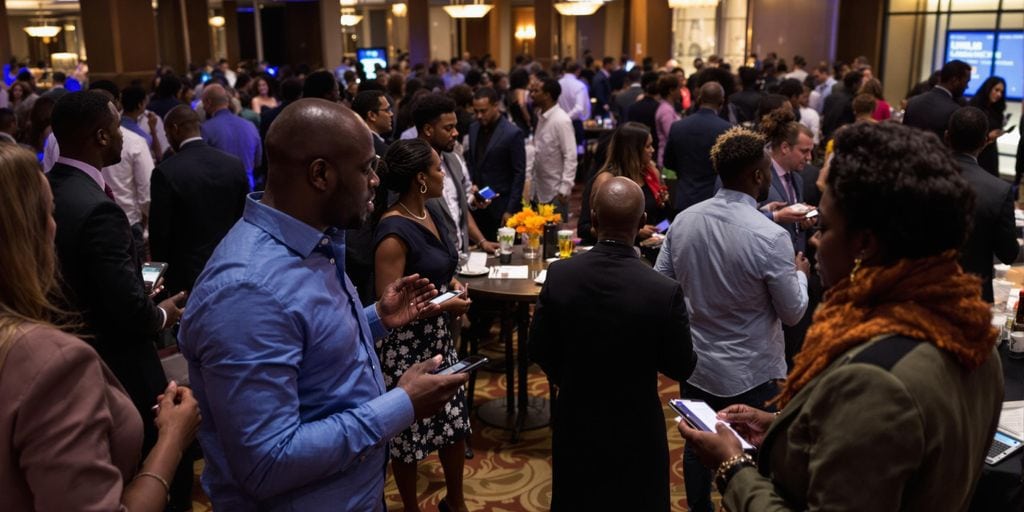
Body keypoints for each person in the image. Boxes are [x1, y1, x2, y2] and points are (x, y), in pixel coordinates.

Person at [679, 121, 1004, 512]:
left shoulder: (874, 381)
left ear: (864, 244)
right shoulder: (970, 334)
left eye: (825, 227)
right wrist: (782, 424)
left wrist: (733, 468)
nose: (814, 240)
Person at [179, 99, 469, 510]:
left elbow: (311, 352)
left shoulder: (315, 244)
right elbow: (267, 461)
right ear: (320, 174)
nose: (375, 180)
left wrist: (375, 320)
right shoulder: (246, 289)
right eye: (366, 167)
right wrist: (400, 405)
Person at [0, 143, 201, 511]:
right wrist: (172, 437)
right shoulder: (52, 362)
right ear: (26, 233)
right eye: (50, 212)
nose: (55, 227)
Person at [46, 91, 192, 507]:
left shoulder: (48, 188)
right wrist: (162, 314)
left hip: (73, 352)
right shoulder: (98, 209)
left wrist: (126, 286)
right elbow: (130, 313)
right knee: (163, 463)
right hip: (121, 363)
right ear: (100, 137)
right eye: (115, 129)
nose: (122, 137)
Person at [655, 126, 809, 512]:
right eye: (767, 169)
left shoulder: (685, 220)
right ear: (757, 175)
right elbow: (793, 313)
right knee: (754, 450)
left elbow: (662, 287)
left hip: (697, 361)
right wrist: (801, 274)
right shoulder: (772, 238)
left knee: (698, 443)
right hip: (751, 370)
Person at [530, 176, 696, 511]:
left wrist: (573, 379)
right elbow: (682, 365)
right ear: (643, 222)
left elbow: (539, 348)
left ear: (593, 217)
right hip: (637, 426)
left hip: (575, 419)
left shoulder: (560, 275)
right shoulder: (662, 290)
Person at [373, 138, 473, 512]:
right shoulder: (393, 232)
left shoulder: (430, 212)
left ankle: (456, 502)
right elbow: (389, 304)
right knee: (409, 433)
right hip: (405, 345)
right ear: (419, 178)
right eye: (436, 168)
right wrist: (443, 305)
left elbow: (436, 275)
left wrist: (452, 292)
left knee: (452, 421)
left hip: (436, 336)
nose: (442, 174)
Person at [149, 105, 249, 298]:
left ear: (175, 129)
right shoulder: (234, 164)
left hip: (186, 274)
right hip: (230, 263)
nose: (168, 140)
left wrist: (161, 280)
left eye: (167, 133)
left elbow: (160, 234)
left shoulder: (166, 171)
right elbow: (244, 218)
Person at [946, 106, 1019, 302]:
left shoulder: (918, 177)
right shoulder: (999, 191)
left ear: (947, 136)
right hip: (972, 298)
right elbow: (1008, 254)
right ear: (985, 142)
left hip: (919, 295)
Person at [414, 93, 499, 255]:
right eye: (448, 128)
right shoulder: (412, 167)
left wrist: (482, 241)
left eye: (455, 126)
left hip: (461, 256)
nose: (455, 133)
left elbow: (459, 208)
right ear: (428, 129)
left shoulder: (454, 158)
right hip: (435, 263)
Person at [578, 121, 667, 246]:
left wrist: (658, 233)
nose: (652, 150)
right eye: (648, 146)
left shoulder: (652, 174)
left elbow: (665, 220)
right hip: (615, 251)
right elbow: (584, 229)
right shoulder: (606, 181)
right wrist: (636, 232)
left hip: (650, 247)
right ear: (632, 151)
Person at [466, 86, 526, 241]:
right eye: (476, 111)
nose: (479, 115)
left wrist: (510, 210)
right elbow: (473, 163)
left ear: (496, 106)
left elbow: (519, 174)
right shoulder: (473, 128)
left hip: (502, 207)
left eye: (483, 111)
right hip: (478, 205)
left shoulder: (512, 133)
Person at [664, 81, 732, 212]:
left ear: (699, 99)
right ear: (722, 102)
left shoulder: (678, 126)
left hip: (685, 197)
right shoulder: (727, 129)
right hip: (714, 201)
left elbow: (668, 163)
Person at [759, 109, 816, 254]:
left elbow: (793, 226)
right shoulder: (758, 176)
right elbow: (741, 220)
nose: (809, 157)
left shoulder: (797, 179)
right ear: (785, 148)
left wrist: (803, 224)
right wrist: (776, 216)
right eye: (804, 151)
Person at [528, 77, 577, 217]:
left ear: (547, 95)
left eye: (536, 91)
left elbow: (570, 156)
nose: (532, 94)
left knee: (555, 236)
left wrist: (565, 188)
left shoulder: (561, 120)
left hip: (555, 191)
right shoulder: (540, 117)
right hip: (538, 188)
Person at [200, 83, 261, 189]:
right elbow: (258, 161)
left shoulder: (205, 129)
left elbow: (202, 165)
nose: (203, 107)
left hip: (219, 189)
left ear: (208, 102)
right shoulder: (250, 126)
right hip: (248, 188)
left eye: (203, 103)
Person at [903, 59, 972, 140]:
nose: (967, 87)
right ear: (954, 81)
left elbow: (904, 136)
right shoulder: (954, 111)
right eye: (966, 82)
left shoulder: (913, 101)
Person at [968, 76, 1008, 177]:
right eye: (996, 90)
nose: (999, 94)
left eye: (1001, 92)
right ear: (988, 88)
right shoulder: (974, 107)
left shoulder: (997, 110)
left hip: (991, 153)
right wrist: (988, 137)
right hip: (975, 154)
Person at [654, 74, 681, 168]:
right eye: (678, 88)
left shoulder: (668, 108)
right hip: (666, 160)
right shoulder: (666, 110)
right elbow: (671, 134)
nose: (680, 91)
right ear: (671, 91)